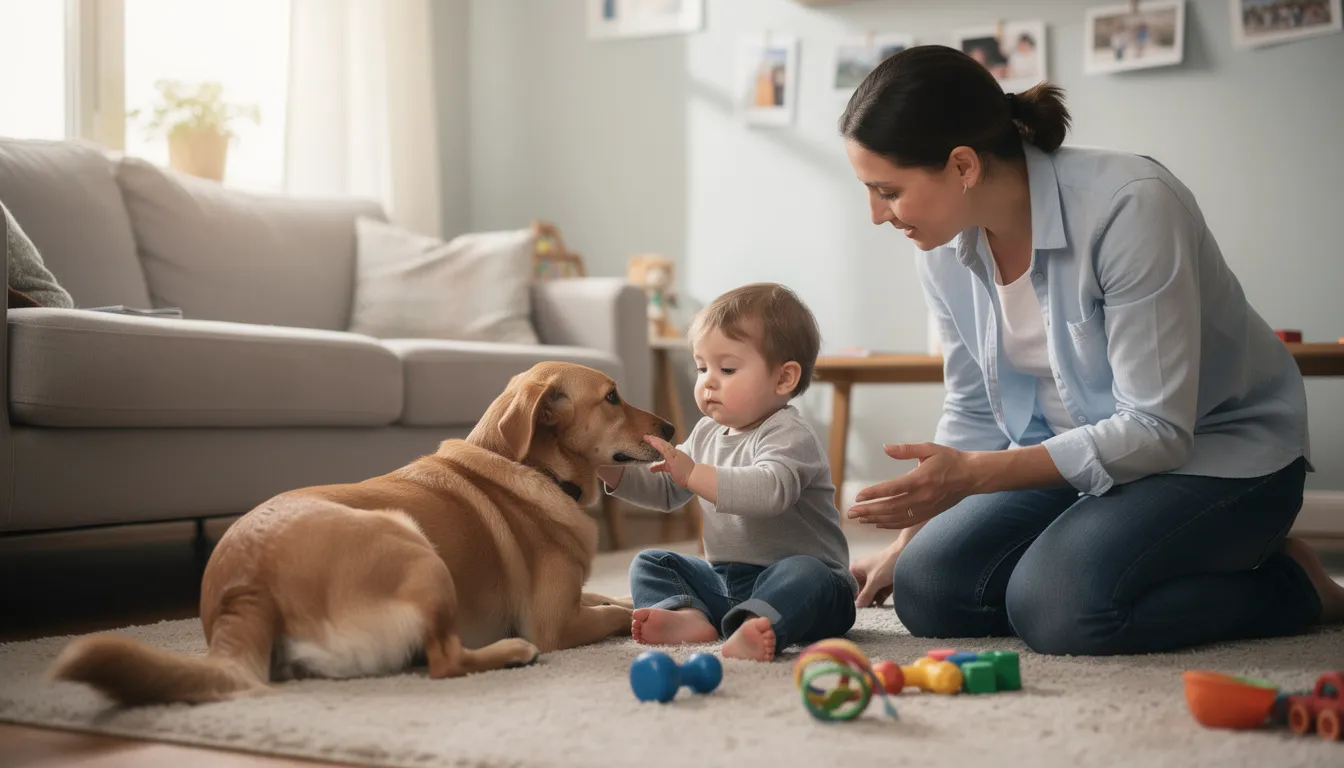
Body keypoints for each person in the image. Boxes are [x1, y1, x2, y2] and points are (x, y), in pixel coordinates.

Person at [835, 45, 1344, 656]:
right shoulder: (943, 247)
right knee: (930, 589)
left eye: (887, 191)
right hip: (1079, 462)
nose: (876, 215)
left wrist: (975, 477)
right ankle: (1110, 558)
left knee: (1058, 607)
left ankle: (1293, 587)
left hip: (1218, 456)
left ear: (963, 165)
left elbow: (1156, 428)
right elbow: (972, 411)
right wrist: (906, 542)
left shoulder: (1131, 204)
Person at [600, 283, 856, 662]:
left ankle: (758, 623)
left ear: (784, 378)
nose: (707, 382)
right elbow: (666, 488)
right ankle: (690, 615)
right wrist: (609, 467)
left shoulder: (790, 434)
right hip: (728, 582)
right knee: (651, 562)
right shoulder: (706, 433)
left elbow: (769, 491)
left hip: (808, 587)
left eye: (728, 368)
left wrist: (693, 474)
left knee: (807, 574)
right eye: (701, 367)